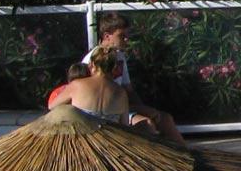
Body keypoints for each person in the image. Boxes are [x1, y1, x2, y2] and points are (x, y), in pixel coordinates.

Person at [82, 15, 182, 143]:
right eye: (121, 35)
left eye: (127, 35)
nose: (126, 39)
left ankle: (188, 157)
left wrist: (143, 108)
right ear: (107, 36)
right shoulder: (92, 59)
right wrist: (143, 110)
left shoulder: (119, 56)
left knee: (165, 119)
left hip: (121, 107)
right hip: (104, 113)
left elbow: (128, 90)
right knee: (147, 124)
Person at [61, 44, 138, 125]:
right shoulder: (121, 93)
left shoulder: (77, 85)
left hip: (82, 135)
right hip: (110, 136)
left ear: (92, 64)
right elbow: (125, 125)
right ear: (113, 68)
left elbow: (52, 106)